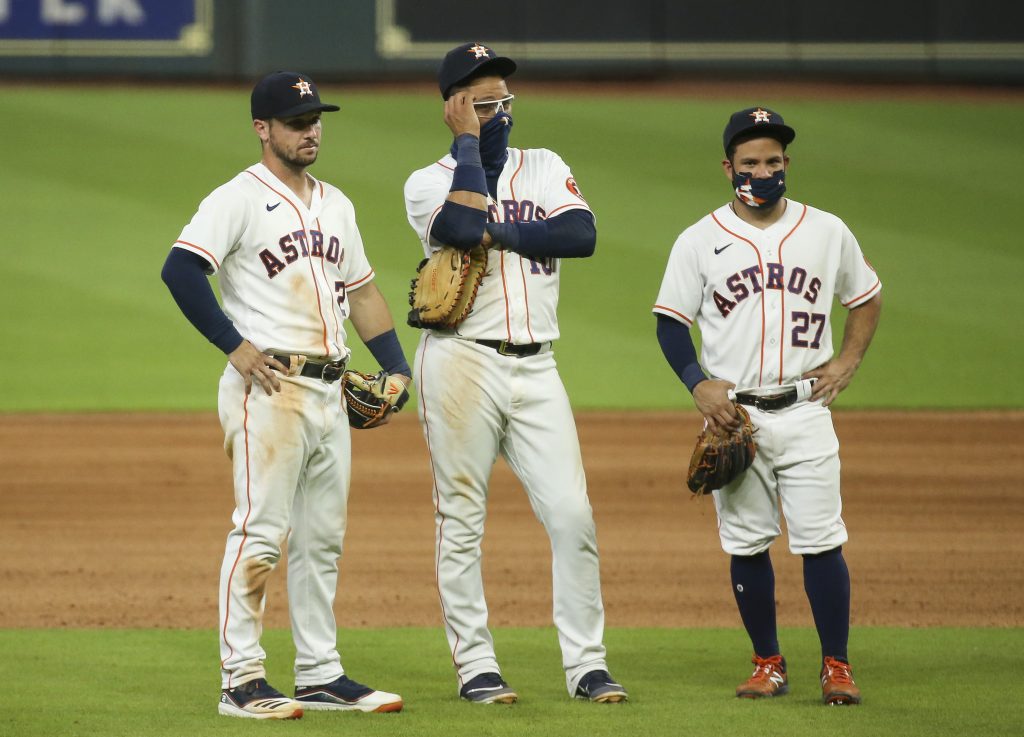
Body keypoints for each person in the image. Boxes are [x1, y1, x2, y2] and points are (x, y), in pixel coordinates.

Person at [161, 71, 411, 719]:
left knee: (322, 538)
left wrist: (396, 367)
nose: (311, 130)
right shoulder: (237, 199)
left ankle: (320, 672)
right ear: (262, 129)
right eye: (298, 122)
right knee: (262, 533)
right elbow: (180, 268)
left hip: (331, 391)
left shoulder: (337, 204)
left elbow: (362, 292)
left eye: (316, 119)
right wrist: (233, 343)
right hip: (268, 390)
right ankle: (240, 681)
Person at [402, 43, 627, 705]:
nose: (501, 113)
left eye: (505, 101)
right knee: (462, 518)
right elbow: (461, 219)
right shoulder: (426, 180)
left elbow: (580, 235)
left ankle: (587, 664)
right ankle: (477, 666)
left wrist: (498, 237)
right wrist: (470, 147)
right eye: (484, 103)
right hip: (461, 364)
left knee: (572, 514)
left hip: (539, 367)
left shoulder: (546, 165)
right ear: (453, 108)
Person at [653, 107, 882, 706]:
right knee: (748, 541)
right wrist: (697, 384)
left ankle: (836, 666)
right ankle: (767, 663)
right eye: (751, 162)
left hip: (806, 410)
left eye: (774, 161)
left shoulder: (826, 230)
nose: (763, 171)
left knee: (821, 540)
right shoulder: (699, 240)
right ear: (728, 167)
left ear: (787, 165)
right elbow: (670, 323)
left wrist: (848, 361)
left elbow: (866, 297)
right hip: (737, 417)